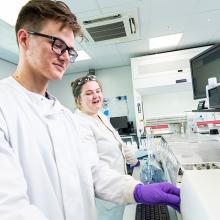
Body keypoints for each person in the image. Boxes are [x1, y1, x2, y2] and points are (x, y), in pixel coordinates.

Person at [0, 1, 180, 220]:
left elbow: (90, 171)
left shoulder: (63, 116)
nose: (66, 56)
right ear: (24, 39)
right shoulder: (5, 107)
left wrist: (136, 190)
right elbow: (9, 208)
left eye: (70, 50)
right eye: (57, 44)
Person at [71, 75, 141, 220]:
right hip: (106, 197)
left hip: (119, 186)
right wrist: (133, 189)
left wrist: (135, 161)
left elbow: (119, 142)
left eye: (98, 91)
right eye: (89, 93)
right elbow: (93, 169)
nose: (96, 96)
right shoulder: (80, 124)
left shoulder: (100, 115)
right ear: (78, 99)